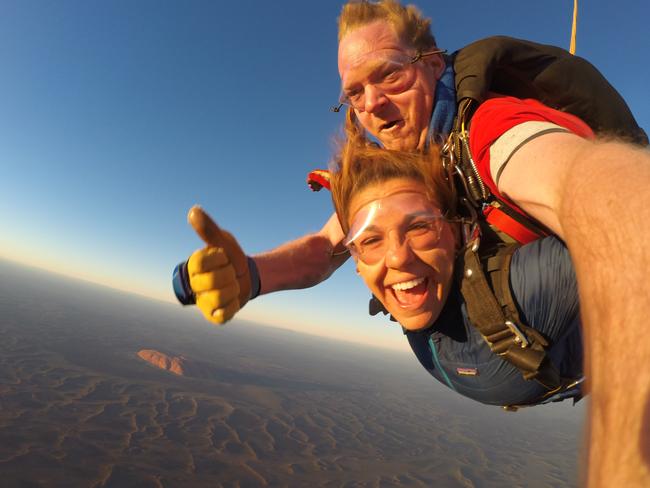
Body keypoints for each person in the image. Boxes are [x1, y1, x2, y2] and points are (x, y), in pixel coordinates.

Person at [176, 1, 650, 485]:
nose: (373, 105)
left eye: (390, 76)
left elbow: (587, 187)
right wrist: (255, 274)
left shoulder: (490, 133)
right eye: (355, 94)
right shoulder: (395, 165)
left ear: (433, 64)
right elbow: (328, 247)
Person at [330, 137, 584, 409]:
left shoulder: (524, 291)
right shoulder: (413, 293)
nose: (397, 257)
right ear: (358, 264)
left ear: (456, 234)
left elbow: (627, 225)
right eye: (370, 241)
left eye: (419, 227)